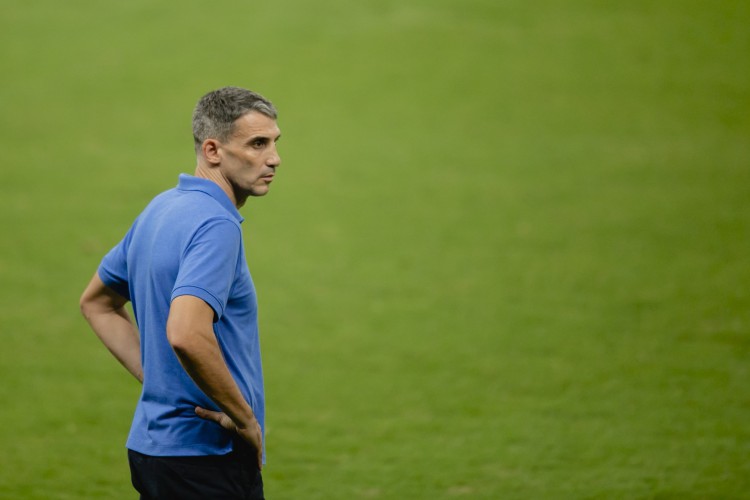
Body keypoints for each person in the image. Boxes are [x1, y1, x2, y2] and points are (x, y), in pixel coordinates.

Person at [79, 86, 282, 499]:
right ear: (213, 150)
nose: (274, 158)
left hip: (152, 450)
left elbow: (97, 303)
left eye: (275, 143)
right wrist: (244, 419)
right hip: (205, 457)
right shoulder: (216, 226)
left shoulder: (162, 207)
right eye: (257, 144)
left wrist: (157, 377)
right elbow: (186, 332)